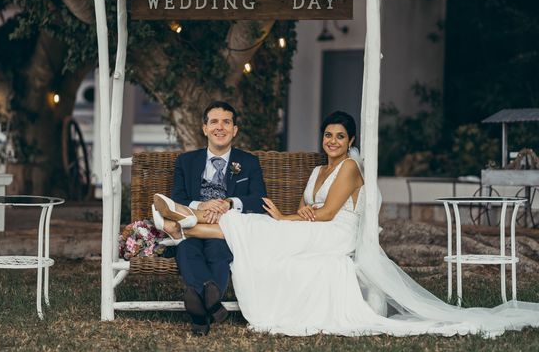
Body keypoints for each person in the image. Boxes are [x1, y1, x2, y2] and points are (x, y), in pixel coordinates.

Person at [154, 111, 539, 336]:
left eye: (339, 136)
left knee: (259, 227)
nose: (332, 141)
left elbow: (324, 214)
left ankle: (179, 223)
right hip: (317, 228)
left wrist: (289, 217)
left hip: (336, 235)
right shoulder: (320, 170)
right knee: (255, 229)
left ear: (350, 139)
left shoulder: (352, 167)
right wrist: (298, 215)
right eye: (327, 135)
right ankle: (182, 223)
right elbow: (311, 206)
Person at [153, 101, 267, 336]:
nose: (220, 127)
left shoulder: (248, 162)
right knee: (187, 249)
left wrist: (230, 202)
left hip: (224, 230)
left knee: (218, 251)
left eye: (227, 122)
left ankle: (199, 315)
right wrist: (202, 206)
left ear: (234, 130)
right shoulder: (187, 161)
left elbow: (259, 200)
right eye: (214, 121)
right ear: (204, 128)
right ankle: (212, 305)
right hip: (194, 223)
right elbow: (178, 197)